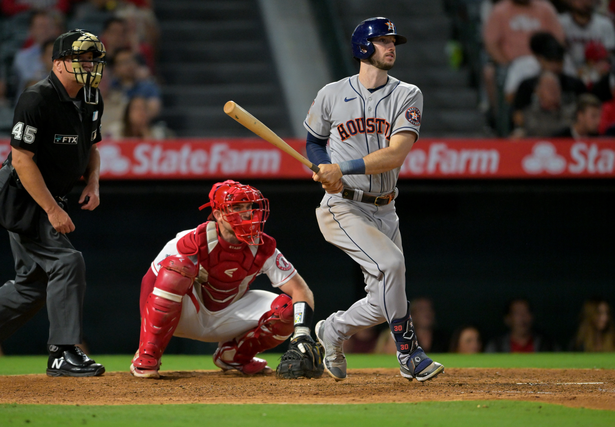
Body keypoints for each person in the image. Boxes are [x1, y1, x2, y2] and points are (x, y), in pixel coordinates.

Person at [305, 17, 444, 383]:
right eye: (383, 40)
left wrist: (341, 166)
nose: (391, 47)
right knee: (392, 265)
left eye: (392, 41)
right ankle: (409, 353)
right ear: (363, 48)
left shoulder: (407, 93)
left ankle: (332, 331)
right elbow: (315, 142)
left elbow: (396, 154)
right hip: (343, 205)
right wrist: (323, 169)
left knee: (382, 301)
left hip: (386, 205)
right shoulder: (331, 94)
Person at [0, 29, 107, 377]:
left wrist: (93, 181)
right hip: (20, 194)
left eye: (92, 59)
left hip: (49, 194)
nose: (89, 65)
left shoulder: (92, 97)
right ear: (58, 63)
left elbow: (92, 149)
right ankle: (63, 352)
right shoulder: (36, 99)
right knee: (67, 262)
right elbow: (22, 160)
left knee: (31, 287)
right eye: (80, 58)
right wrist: (53, 209)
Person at [130, 180, 322, 379]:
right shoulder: (191, 240)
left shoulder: (263, 246)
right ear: (219, 214)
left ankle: (234, 356)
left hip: (228, 318)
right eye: (237, 208)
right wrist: (148, 329)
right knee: (177, 268)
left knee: (288, 311)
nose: (247, 213)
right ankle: (148, 354)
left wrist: (302, 331)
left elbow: (301, 291)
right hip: (182, 317)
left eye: (249, 207)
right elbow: (149, 282)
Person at [482, 0, 565, 110]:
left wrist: (549, 60)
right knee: (490, 73)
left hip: (544, 61)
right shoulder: (500, 10)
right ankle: (503, 120)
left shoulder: (545, 8)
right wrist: (507, 64)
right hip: (512, 63)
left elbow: (559, 39)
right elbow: (491, 44)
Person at [510, 32, 587, 130]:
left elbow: (585, 111)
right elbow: (517, 116)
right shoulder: (527, 86)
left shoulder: (575, 85)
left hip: (567, 133)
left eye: (558, 61)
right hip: (535, 131)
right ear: (540, 60)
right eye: (550, 61)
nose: (555, 66)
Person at [557, 0, 615, 82]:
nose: (585, 2)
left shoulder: (605, 25)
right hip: (566, 76)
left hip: (597, 78)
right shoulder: (559, 22)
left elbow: (608, 57)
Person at [11, 10, 63, 101]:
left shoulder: (65, 54)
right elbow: (32, 85)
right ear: (31, 30)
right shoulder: (23, 57)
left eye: (49, 26)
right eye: (41, 26)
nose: (45, 30)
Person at [510, 71, 576, 138]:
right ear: (538, 91)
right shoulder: (528, 115)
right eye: (548, 86)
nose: (553, 90)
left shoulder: (571, 114)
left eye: (556, 86)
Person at [485, 298, 559, 352]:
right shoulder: (496, 346)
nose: (522, 318)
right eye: (517, 313)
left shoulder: (547, 344)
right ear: (508, 319)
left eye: (526, 312)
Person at [107, 47, 162, 120]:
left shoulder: (147, 86)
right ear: (115, 68)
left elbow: (154, 110)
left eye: (131, 60)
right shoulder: (110, 87)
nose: (129, 65)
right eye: (124, 62)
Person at [104, 95, 173, 139]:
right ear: (128, 112)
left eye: (144, 109)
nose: (141, 112)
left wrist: (146, 134)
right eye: (137, 108)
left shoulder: (157, 134)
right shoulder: (114, 131)